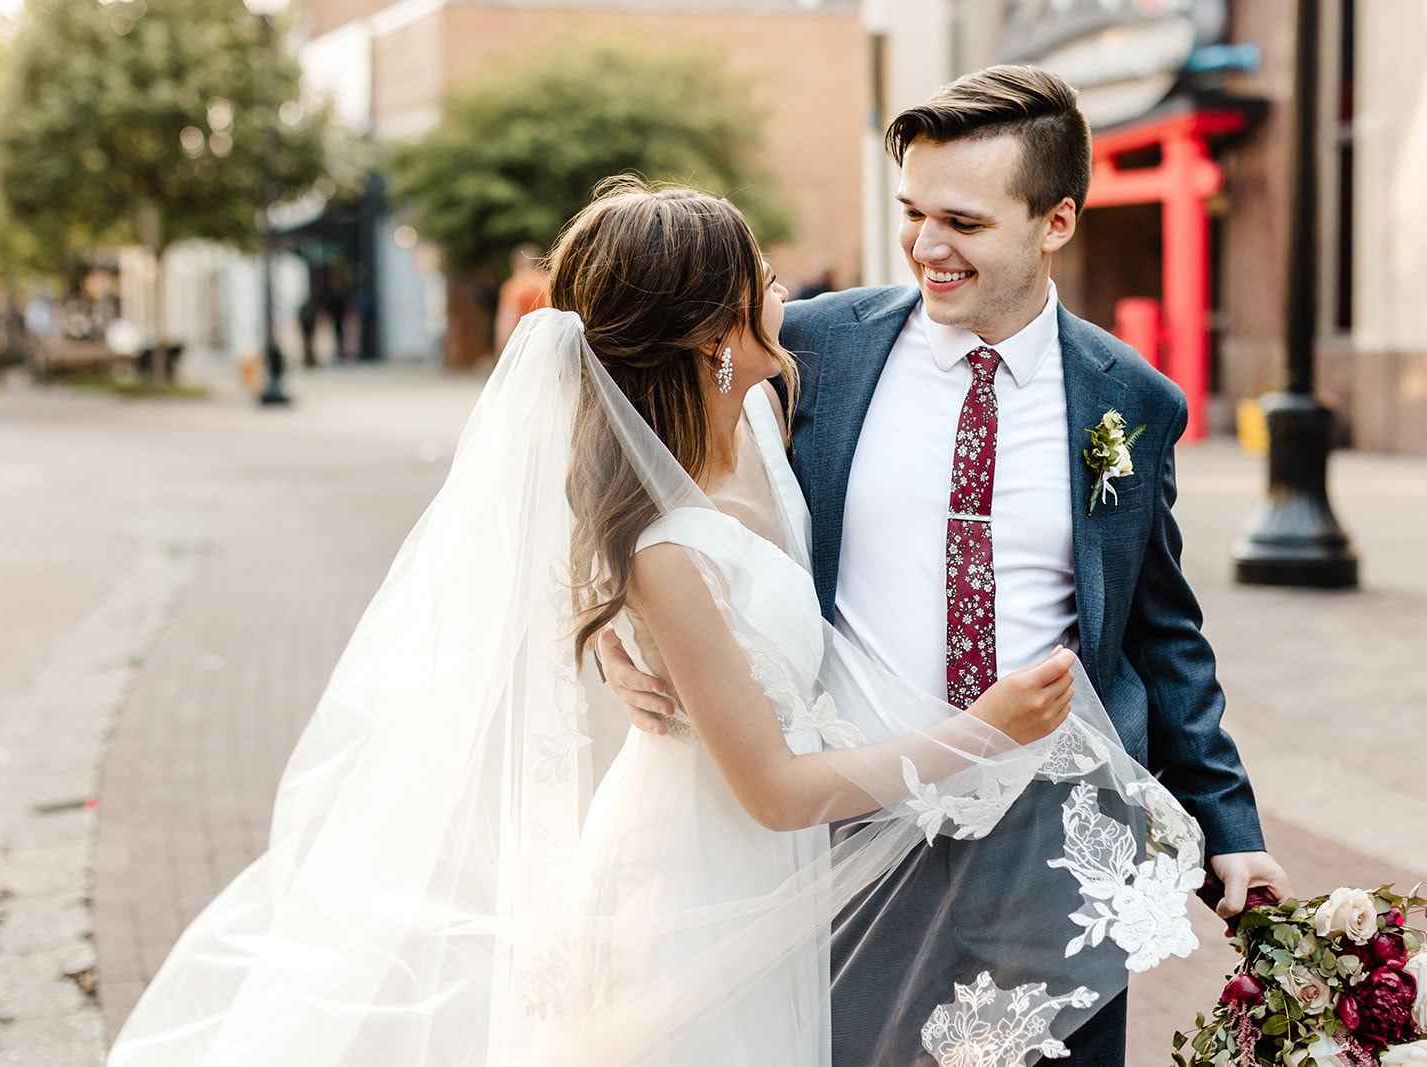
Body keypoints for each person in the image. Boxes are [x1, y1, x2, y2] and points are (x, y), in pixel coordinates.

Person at [108, 179, 1207, 1066]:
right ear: (711, 330)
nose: (785, 287)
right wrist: (986, 727)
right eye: (758, 278)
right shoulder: (663, 540)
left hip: (796, 869)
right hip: (703, 867)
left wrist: (598, 640)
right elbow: (770, 786)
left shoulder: (765, 416)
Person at [601, 66, 1291, 1067]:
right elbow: (642, 470)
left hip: (1056, 848)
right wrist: (619, 631)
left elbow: (1161, 630)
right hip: (853, 837)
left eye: (963, 222)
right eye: (914, 211)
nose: (928, 245)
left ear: (1053, 221)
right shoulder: (807, 348)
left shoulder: (1128, 398)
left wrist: (1229, 823)